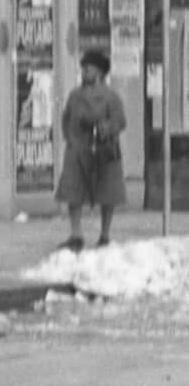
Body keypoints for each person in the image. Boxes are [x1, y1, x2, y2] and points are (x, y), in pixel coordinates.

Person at [56, 46, 128, 249]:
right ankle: (76, 234)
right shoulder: (75, 95)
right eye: (84, 67)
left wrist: (103, 128)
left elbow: (120, 121)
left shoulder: (110, 96)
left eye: (89, 68)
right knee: (73, 190)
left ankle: (105, 235)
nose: (85, 71)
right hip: (78, 150)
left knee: (107, 192)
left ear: (100, 72)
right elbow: (66, 117)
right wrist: (70, 137)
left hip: (103, 150)